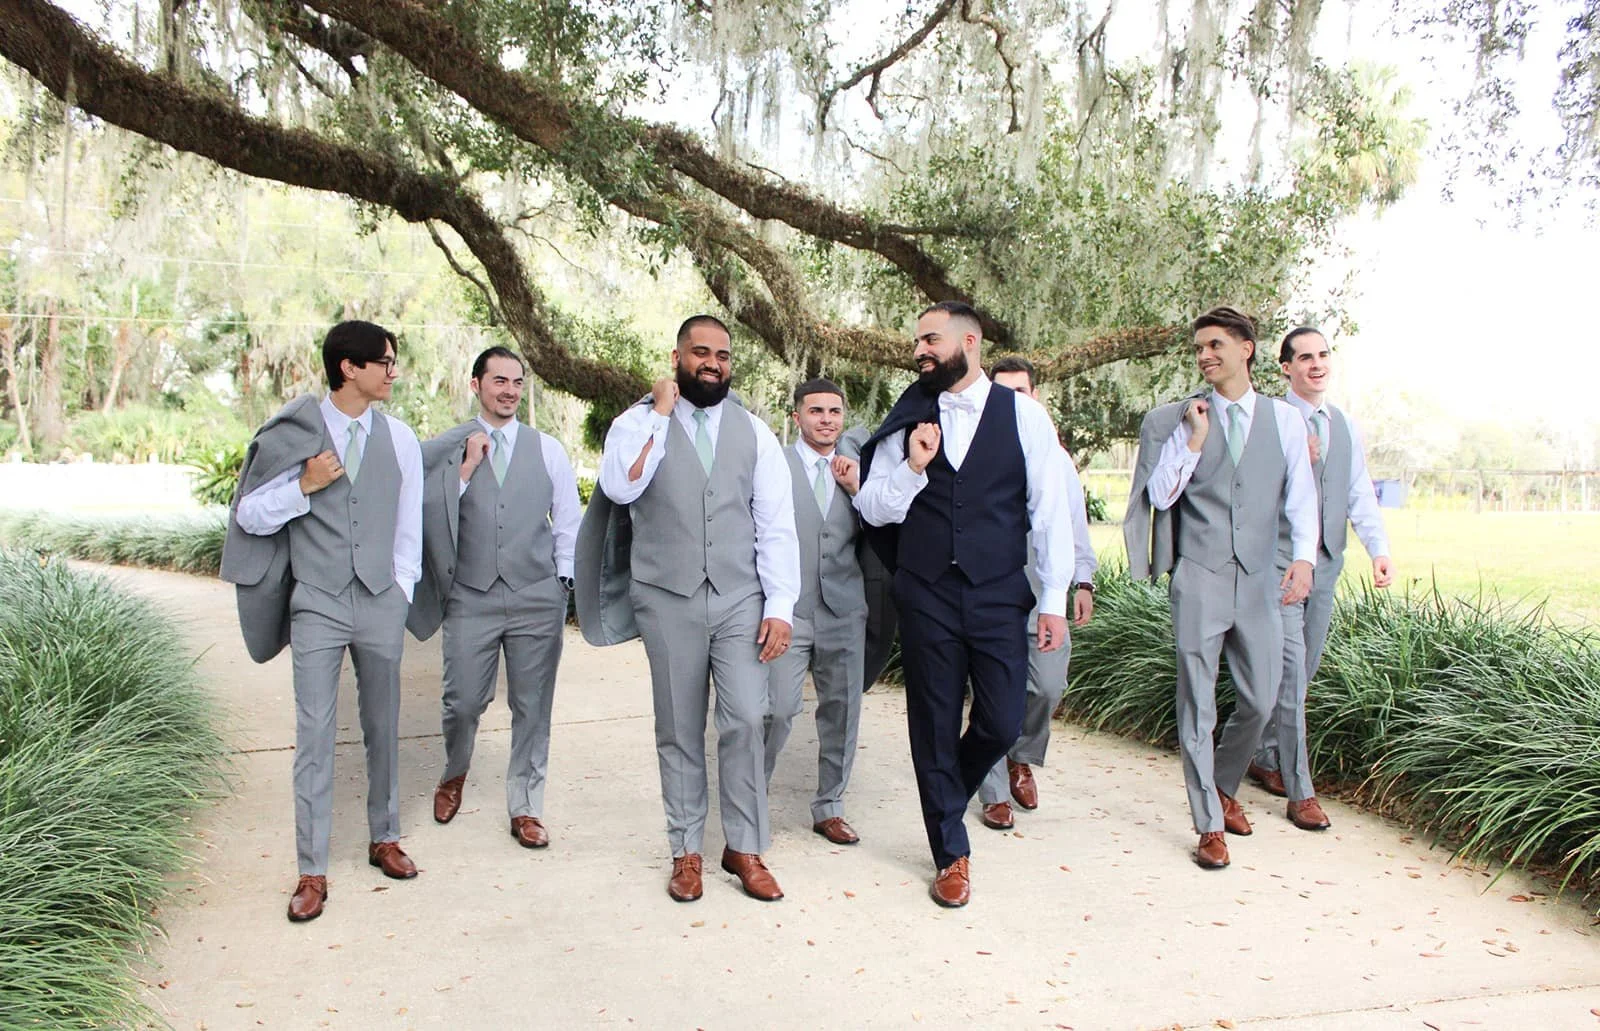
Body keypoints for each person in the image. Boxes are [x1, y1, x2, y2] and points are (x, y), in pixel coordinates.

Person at [855, 300, 1073, 908]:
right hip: (926, 592)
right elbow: (871, 508)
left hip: (999, 592)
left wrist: (1054, 598)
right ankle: (951, 853)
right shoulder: (909, 417)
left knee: (1003, 721)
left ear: (969, 342)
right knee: (932, 721)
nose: (919, 351)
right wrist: (913, 468)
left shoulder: (1025, 416)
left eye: (931, 339)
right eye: (917, 341)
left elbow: (1049, 512)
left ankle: (946, 796)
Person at [582, 315, 800, 903]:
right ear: (677, 357)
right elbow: (621, 487)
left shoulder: (755, 432)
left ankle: (744, 847)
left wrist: (780, 604)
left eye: (722, 355)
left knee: (747, 717)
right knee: (679, 727)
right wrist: (659, 413)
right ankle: (686, 851)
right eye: (701, 353)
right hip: (666, 596)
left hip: (739, 596)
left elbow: (775, 524)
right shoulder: (636, 422)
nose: (713, 363)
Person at [221, 320, 423, 922]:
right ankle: (312, 870)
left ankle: (384, 837)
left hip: (381, 599)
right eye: (384, 362)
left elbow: (409, 527)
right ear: (349, 368)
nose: (392, 372)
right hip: (317, 601)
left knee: (383, 724)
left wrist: (401, 591)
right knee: (314, 734)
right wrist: (303, 486)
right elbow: (250, 514)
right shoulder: (300, 434)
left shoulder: (402, 439)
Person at [1123, 306, 1318, 870]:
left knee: (1261, 699)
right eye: (1199, 349)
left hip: (1259, 579)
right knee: (1197, 703)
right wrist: (1195, 440)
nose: (1205, 356)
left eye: (1215, 346)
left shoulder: (1285, 421)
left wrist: (1303, 559)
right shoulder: (1187, 419)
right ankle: (1208, 823)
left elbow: (1301, 496)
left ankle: (1225, 784)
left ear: (1245, 349)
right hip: (1199, 577)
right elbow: (1160, 497)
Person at [407, 346, 581, 849]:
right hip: (471, 596)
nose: (509, 391)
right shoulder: (449, 449)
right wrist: (464, 470)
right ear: (476, 385)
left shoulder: (547, 449)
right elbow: (427, 515)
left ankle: (525, 806)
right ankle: (454, 773)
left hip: (536, 597)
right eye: (499, 380)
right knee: (462, 701)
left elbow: (568, 521)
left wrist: (562, 584)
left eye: (516, 382)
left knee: (533, 706)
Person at [1246, 328, 1394, 830]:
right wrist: (1289, 463)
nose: (1317, 364)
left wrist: (1379, 549)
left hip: (1327, 563)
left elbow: (1359, 493)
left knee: (1301, 673)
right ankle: (1301, 791)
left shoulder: (1344, 425)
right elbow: (1243, 489)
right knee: (1290, 676)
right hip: (1281, 565)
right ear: (1285, 367)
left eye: (1323, 355)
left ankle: (1264, 755)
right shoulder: (1270, 419)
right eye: (1305, 357)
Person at [974, 357, 1098, 830]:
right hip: (988, 594)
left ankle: (1021, 755)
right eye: (1002, 393)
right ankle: (993, 790)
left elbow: (1073, 524)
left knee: (1047, 686)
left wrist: (1082, 580)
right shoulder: (975, 452)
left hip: (1044, 593)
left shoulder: (1057, 458)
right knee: (989, 694)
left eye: (1020, 392)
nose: (1012, 402)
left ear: (1035, 397)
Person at [763, 379, 868, 846]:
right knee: (777, 709)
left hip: (844, 609)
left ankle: (830, 806)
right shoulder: (773, 464)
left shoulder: (857, 470)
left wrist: (857, 487)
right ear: (797, 417)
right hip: (789, 609)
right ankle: (752, 799)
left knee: (842, 711)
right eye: (816, 411)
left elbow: (886, 525)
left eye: (834, 411)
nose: (826, 419)